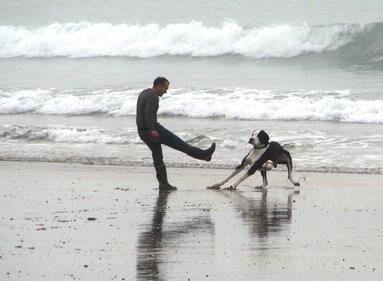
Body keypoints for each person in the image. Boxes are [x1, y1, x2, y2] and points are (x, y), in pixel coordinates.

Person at [136, 77, 216, 191]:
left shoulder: (144, 93)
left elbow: (141, 114)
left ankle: (163, 184)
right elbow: (148, 114)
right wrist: (153, 130)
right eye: (165, 88)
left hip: (142, 131)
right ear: (158, 85)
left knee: (157, 155)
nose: (165, 91)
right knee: (180, 144)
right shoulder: (153, 97)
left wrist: (148, 129)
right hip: (152, 130)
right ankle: (203, 155)